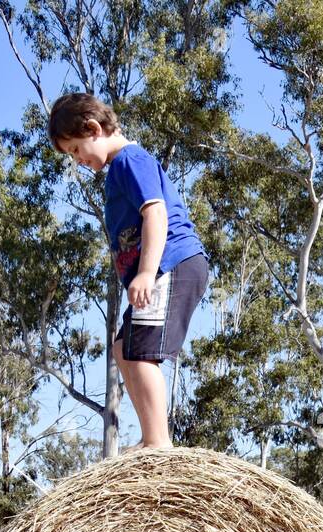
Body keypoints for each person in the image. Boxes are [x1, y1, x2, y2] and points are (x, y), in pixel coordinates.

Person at [48, 92, 210, 451]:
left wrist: (146, 273)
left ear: (93, 129)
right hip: (163, 269)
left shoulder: (128, 161)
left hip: (170, 264)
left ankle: (158, 442)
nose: (78, 160)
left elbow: (155, 213)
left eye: (75, 150)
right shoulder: (118, 170)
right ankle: (150, 435)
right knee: (124, 347)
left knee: (140, 354)